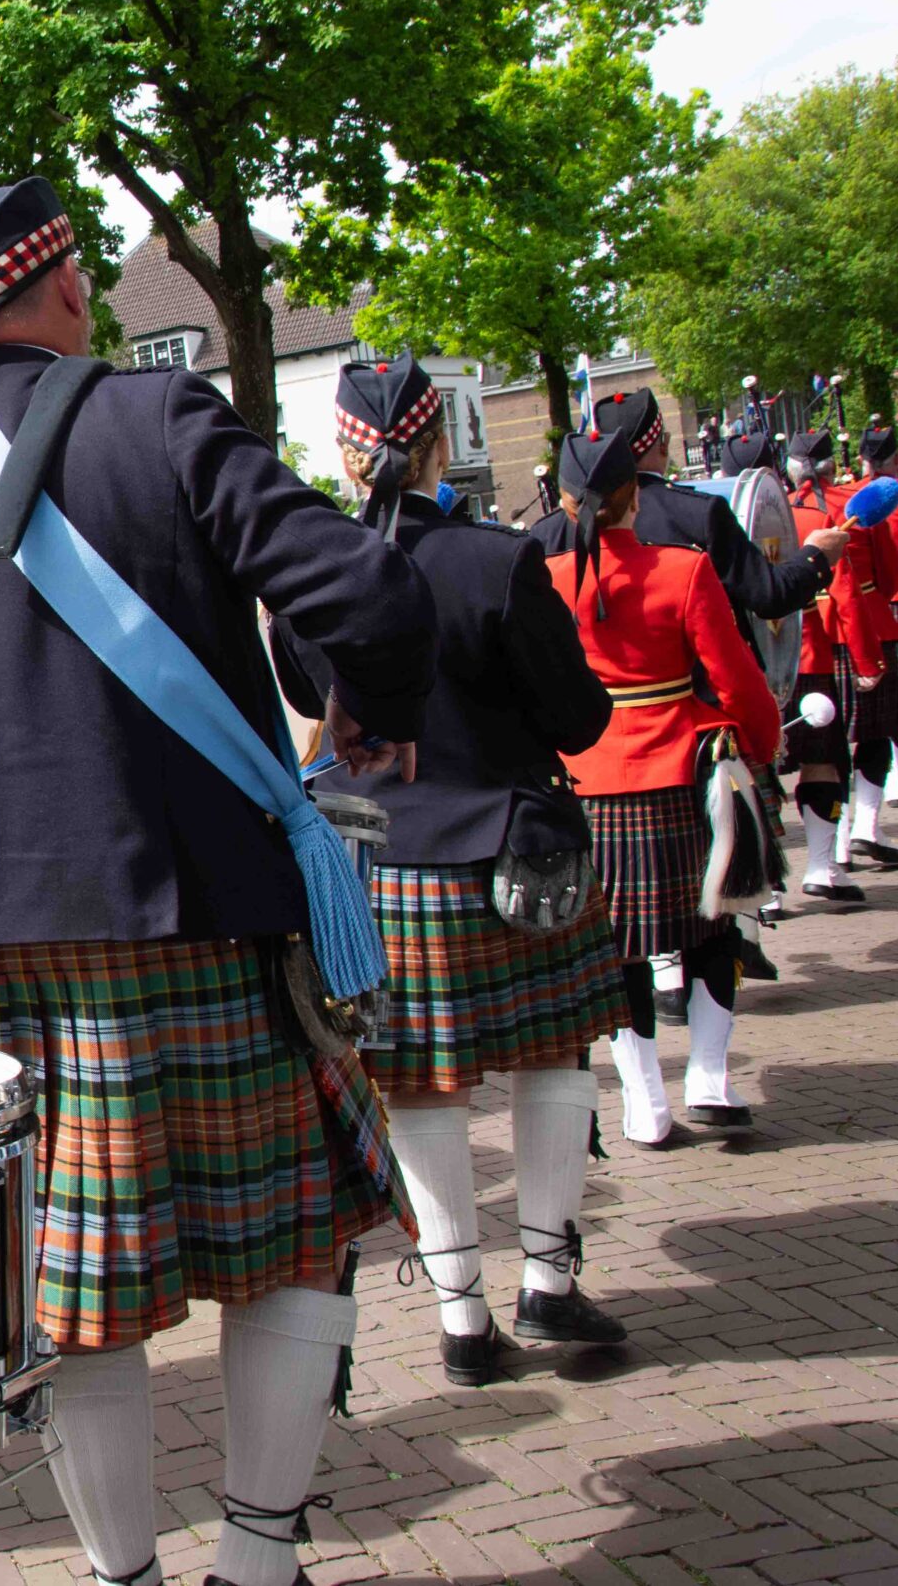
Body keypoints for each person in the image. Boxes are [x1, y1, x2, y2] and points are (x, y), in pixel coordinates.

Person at [0, 177, 434, 1586]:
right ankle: (259, 1563)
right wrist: (373, 705)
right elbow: (369, 596)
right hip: (181, 916)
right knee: (292, 1248)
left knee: (67, 1293)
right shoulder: (157, 418)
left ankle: (121, 1577)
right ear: (70, 288)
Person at [275, 355, 628, 1388]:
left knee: (421, 1086)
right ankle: (549, 1281)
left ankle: (461, 1316)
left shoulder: (308, 579)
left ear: (348, 455)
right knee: (554, 1056)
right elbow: (576, 718)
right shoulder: (497, 560)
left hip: (385, 865)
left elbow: (305, 697)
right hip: (518, 852)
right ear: (438, 444)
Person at [544, 404, 781, 1147]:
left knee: (617, 950)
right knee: (715, 927)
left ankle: (644, 1103)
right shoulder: (684, 570)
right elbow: (736, 680)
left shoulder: (546, 580)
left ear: (565, 503)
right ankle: (709, 1076)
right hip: (682, 773)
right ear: (636, 497)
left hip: (587, 785)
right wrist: (762, 744)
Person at [785, 432, 875, 903]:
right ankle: (822, 867)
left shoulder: (737, 521)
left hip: (756, 664)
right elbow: (845, 593)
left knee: (755, 772)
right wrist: (867, 659)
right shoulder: (818, 517)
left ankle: (767, 891)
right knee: (822, 762)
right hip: (809, 658)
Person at [833, 423, 898, 867]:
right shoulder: (869, 502)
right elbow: (890, 575)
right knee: (876, 732)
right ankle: (864, 828)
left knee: (830, 745)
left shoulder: (833, 500)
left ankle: (835, 847)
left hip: (822, 634)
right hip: (874, 624)